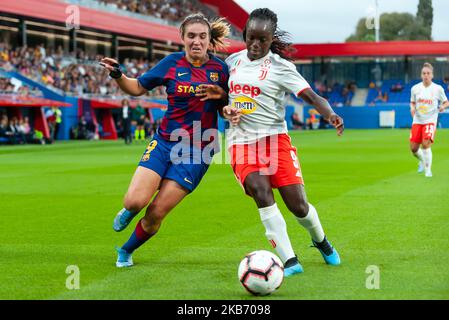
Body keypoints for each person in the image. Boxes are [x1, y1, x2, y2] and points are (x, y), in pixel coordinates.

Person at [201, 8, 344, 277]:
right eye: (251, 38)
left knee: (298, 206)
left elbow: (312, 97)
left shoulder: (281, 68)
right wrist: (224, 108)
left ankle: (321, 240)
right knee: (260, 191)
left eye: (262, 40)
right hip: (241, 142)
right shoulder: (231, 64)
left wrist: (331, 114)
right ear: (244, 34)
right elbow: (221, 100)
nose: (255, 45)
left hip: (275, 141)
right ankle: (289, 260)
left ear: (270, 40)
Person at [100, 13, 232, 268]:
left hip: (198, 151)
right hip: (165, 143)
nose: (196, 41)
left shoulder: (220, 70)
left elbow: (225, 107)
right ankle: (128, 211)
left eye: (202, 36)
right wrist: (117, 75)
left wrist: (225, 102)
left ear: (208, 40)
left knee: (155, 213)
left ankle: (126, 250)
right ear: (182, 38)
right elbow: (137, 87)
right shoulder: (171, 63)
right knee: (135, 201)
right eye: (191, 36)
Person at [409, 62, 449, 177]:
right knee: (413, 149)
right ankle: (422, 160)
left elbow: (446, 102)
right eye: (424, 73)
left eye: (428, 73)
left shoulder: (438, 89)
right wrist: (412, 108)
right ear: (421, 75)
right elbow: (412, 102)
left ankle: (428, 170)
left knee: (425, 144)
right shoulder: (415, 88)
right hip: (417, 121)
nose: (426, 75)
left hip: (430, 121)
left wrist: (442, 106)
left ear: (432, 75)